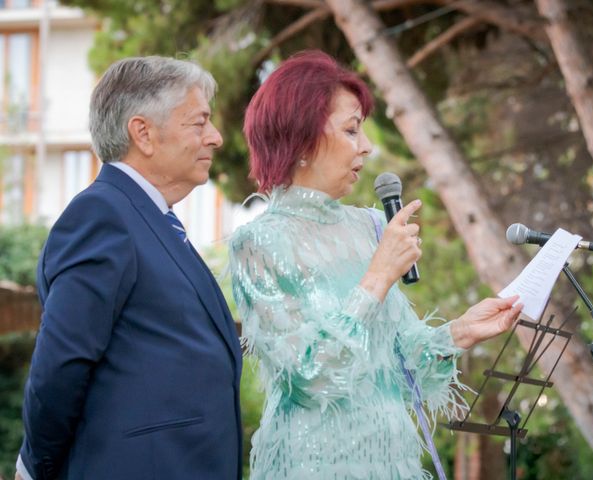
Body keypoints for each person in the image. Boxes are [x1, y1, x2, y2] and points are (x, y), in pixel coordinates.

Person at [229, 50, 523, 479]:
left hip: (391, 460)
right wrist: (377, 278)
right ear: (302, 139)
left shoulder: (368, 226)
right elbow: (310, 380)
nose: (366, 146)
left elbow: (401, 366)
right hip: (312, 464)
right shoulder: (258, 242)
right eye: (351, 130)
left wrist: (460, 332)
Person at [16, 56, 242, 480]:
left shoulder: (151, 220)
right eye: (199, 122)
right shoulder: (102, 214)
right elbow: (61, 363)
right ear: (143, 133)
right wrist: (35, 466)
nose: (215, 137)